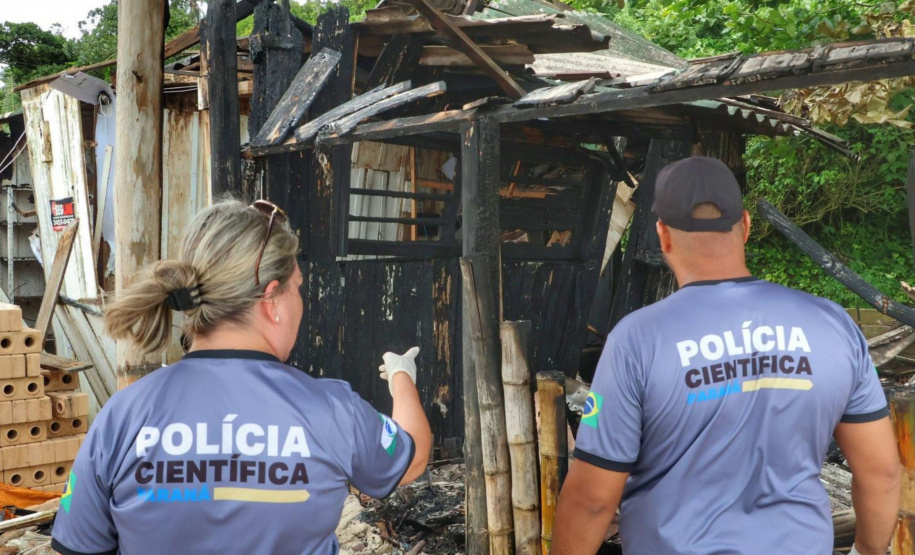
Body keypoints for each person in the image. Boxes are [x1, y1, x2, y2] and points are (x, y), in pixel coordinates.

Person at [551, 157, 902, 555]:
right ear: (747, 226)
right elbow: (882, 473)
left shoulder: (636, 341)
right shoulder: (832, 324)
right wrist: (868, 551)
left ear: (663, 236)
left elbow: (593, 499)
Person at [51, 199, 431, 555]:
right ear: (272, 301)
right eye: (297, 287)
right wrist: (401, 376)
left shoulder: (121, 417)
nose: (301, 300)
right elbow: (411, 457)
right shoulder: (332, 410)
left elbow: (81, 546)